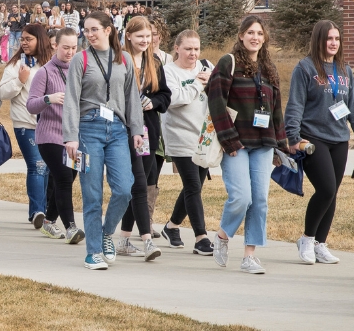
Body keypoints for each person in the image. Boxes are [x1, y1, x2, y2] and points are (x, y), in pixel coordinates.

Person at [62, 11, 144, 270]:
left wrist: (137, 130)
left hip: (118, 130)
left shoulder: (125, 59)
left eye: (94, 29)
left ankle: (107, 232)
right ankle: (93, 251)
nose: (89, 34)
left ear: (109, 30)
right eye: (86, 30)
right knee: (92, 193)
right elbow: (72, 100)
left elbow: (132, 97)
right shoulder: (80, 59)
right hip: (88, 130)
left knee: (124, 188)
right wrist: (70, 137)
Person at [208, 15, 287, 275]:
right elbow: (216, 101)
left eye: (260, 34)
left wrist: (280, 143)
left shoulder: (269, 68)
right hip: (237, 143)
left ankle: (249, 256)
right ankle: (222, 236)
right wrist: (228, 139)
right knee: (242, 197)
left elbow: (276, 109)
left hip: (263, 143)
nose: (255, 37)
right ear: (241, 35)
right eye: (250, 32)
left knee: (260, 200)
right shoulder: (228, 63)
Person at [284, 20, 354, 265]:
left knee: (333, 193)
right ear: (319, 40)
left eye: (337, 39)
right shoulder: (305, 68)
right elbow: (295, 104)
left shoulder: (345, 70)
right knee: (326, 189)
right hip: (313, 138)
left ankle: (321, 244)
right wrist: (293, 136)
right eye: (329, 38)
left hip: (339, 139)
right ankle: (307, 239)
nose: (333, 43)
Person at [117, 17, 171, 260]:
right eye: (140, 37)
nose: (145, 41)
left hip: (149, 130)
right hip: (123, 130)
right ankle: (146, 239)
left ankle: (125, 239)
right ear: (128, 36)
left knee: (140, 185)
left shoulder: (154, 62)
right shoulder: (118, 61)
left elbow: (165, 96)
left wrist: (154, 101)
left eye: (148, 37)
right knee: (136, 184)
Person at [27, 28, 84, 244]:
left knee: (69, 178)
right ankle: (71, 228)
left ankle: (49, 221)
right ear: (55, 46)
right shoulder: (45, 72)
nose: (70, 52)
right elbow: (31, 105)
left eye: (74, 48)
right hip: (50, 136)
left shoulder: (79, 70)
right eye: (65, 47)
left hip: (74, 137)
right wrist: (48, 99)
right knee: (63, 178)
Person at [162, 29, 214, 254]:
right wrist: (198, 83)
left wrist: (212, 82)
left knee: (194, 187)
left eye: (196, 49)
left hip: (204, 137)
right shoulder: (168, 72)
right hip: (180, 136)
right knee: (193, 185)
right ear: (176, 48)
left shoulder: (207, 66)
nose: (193, 54)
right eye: (188, 49)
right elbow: (175, 99)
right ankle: (201, 237)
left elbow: (221, 93)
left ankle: (172, 225)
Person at [0, 22, 52, 229]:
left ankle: (42, 210)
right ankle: (38, 211)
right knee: (37, 166)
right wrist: (20, 80)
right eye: (22, 39)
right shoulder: (16, 65)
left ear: (41, 40)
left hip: (49, 125)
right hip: (25, 124)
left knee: (46, 169)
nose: (24, 43)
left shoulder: (49, 65)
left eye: (29, 39)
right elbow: (2, 93)